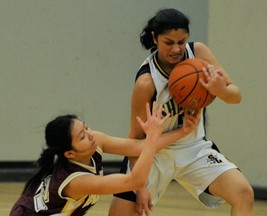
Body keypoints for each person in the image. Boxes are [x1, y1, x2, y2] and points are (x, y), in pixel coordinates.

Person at [109, 8, 254, 216]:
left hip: (193, 147)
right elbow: (134, 139)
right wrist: (139, 186)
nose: (177, 49)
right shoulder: (147, 82)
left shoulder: (199, 53)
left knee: (243, 193)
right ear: (154, 38)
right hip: (153, 154)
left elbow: (236, 95)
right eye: (169, 42)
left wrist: (221, 90)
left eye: (182, 41)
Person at [10, 102, 201, 216]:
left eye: (86, 127)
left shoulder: (95, 140)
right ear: (69, 154)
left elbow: (137, 148)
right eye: (82, 136)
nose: (90, 134)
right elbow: (134, 180)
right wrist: (151, 136)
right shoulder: (76, 182)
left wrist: (183, 131)